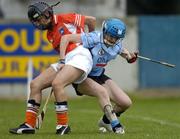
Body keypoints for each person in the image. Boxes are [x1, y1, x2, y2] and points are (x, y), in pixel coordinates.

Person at [9, 1, 122, 135]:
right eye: (36, 22)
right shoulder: (49, 35)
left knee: (58, 83)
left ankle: (63, 126)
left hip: (80, 55)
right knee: (35, 84)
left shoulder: (64, 18)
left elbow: (91, 20)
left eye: (40, 19)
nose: (39, 23)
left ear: (48, 14)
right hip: (68, 58)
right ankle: (29, 124)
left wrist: (90, 39)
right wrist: (63, 60)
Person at [57, 18, 138, 134]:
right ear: (104, 31)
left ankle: (105, 121)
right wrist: (62, 60)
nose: (113, 40)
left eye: (116, 38)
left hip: (99, 75)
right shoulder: (93, 38)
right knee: (102, 92)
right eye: (111, 36)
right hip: (82, 76)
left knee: (125, 103)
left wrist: (130, 58)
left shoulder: (117, 44)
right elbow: (66, 38)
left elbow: (124, 53)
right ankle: (115, 124)